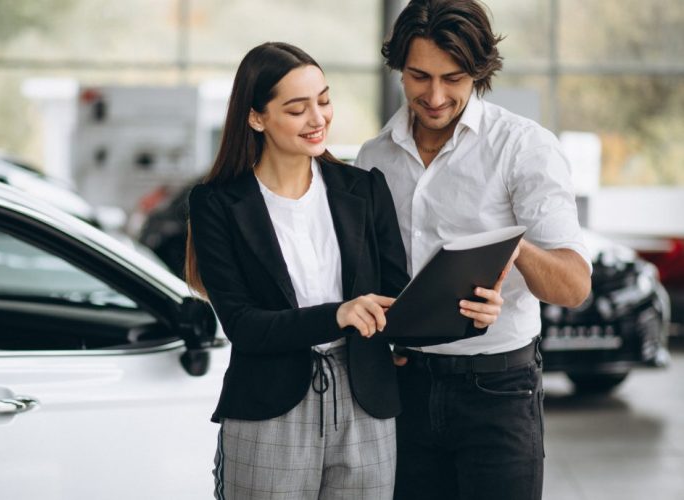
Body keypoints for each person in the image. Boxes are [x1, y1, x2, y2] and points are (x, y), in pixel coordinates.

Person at [185, 41, 505, 500]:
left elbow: (398, 301)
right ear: (257, 117)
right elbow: (243, 325)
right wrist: (338, 313)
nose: (318, 119)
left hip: (366, 401)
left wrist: (469, 314)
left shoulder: (363, 189)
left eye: (324, 100)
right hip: (268, 408)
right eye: (297, 109)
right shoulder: (217, 204)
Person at [355, 1, 593, 499]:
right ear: (399, 67)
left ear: (479, 72)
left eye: (454, 78)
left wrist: (508, 248)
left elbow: (573, 287)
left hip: (498, 391)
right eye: (419, 76)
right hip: (405, 388)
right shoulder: (374, 157)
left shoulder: (524, 147)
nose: (435, 95)